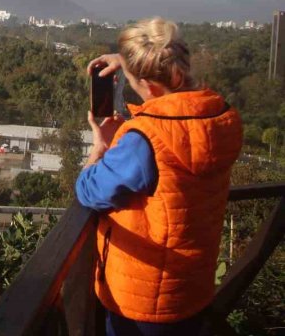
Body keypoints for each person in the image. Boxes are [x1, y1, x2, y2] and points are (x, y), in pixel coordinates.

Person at [75, 18, 243, 336]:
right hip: (192, 288)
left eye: (130, 78)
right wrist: (127, 62)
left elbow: (90, 190)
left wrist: (100, 148)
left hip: (143, 301)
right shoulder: (220, 116)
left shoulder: (145, 139)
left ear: (149, 87)